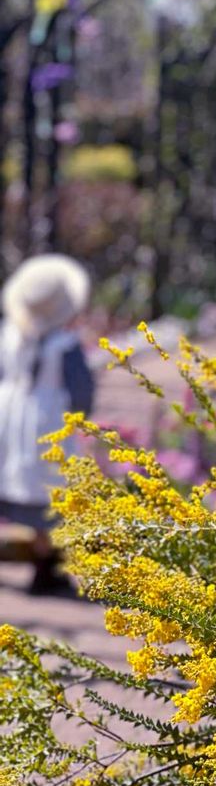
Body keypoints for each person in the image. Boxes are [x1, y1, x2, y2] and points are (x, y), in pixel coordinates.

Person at [0, 254, 94, 596]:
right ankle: (46, 568)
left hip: (8, 413)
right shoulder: (65, 345)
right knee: (50, 493)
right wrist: (80, 418)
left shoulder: (9, 334)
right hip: (47, 421)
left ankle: (46, 568)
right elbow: (82, 392)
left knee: (13, 480)